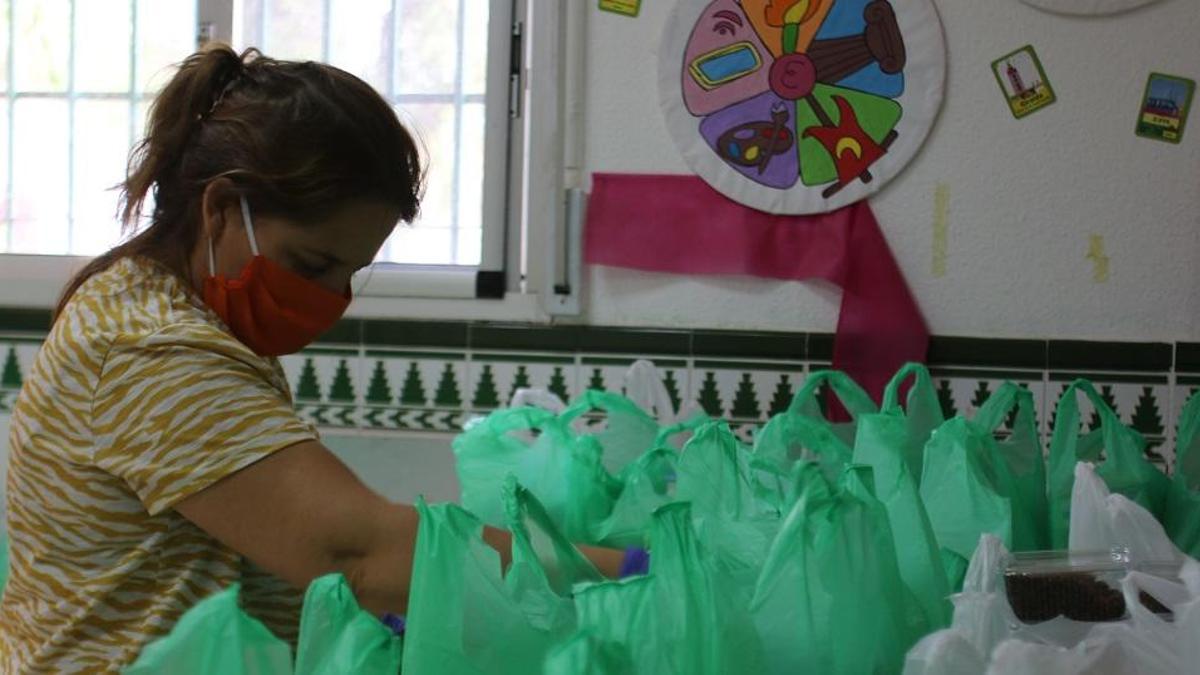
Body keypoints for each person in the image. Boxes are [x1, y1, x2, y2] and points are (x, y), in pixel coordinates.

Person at [0, 44, 621, 672]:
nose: (328, 300)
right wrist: (627, 573)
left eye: (349, 274)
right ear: (220, 210)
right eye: (311, 265)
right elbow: (357, 554)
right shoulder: (150, 351)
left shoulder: (163, 306)